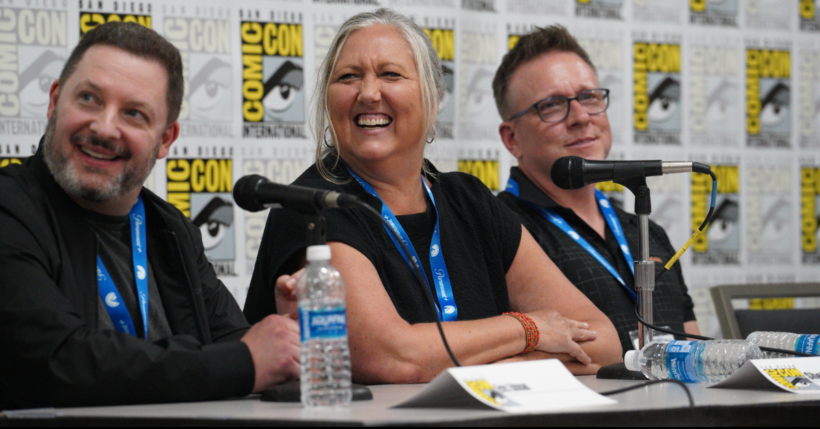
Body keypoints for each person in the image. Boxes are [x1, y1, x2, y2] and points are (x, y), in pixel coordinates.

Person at [244, 9, 621, 385]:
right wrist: (528, 328)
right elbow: (393, 357)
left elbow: (603, 341)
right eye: (348, 77)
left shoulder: (470, 200)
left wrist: (507, 369)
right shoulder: (313, 204)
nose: (369, 93)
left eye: (390, 74)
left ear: (434, 98)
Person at [0, 22, 299, 410]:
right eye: (88, 98)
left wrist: (281, 332)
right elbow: (56, 362)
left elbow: (235, 345)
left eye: (134, 113)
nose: (105, 127)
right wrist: (246, 360)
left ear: (165, 139)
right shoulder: (9, 208)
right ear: (55, 101)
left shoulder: (170, 228)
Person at [493, 26, 699, 354]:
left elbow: (695, 351)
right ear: (512, 139)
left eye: (589, 97)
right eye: (552, 105)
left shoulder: (648, 232)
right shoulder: (500, 230)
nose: (580, 117)